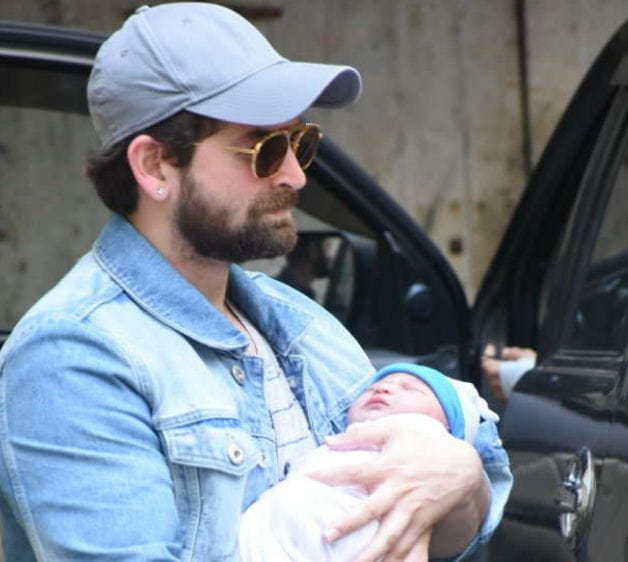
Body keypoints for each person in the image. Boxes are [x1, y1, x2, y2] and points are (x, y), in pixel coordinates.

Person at [0, 3, 511, 561]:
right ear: (153, 167)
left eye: (301, 142)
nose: (295, 175)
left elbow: (436, 522)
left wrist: (462, 481)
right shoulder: (73, 356)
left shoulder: (297, 320)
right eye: (265, 150)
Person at [238, 363, 500, 562]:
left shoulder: (430, 438)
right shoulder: (334, 443)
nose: (383, 387)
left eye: (410, 388)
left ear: (449, 426)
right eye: (375, 385)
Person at [276, 235, 332, 300]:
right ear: (312, 249)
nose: (329, 256)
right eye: (326, 245)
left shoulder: (308, 294)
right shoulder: (276, 291)